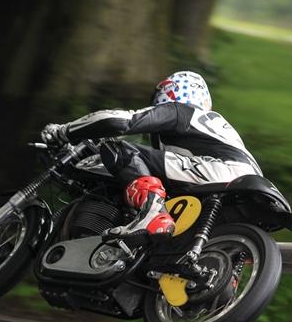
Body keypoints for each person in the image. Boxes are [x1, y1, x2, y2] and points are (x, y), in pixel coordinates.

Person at [40, 70, 263, 243]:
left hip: (221, 170)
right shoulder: (212, 126)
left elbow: (120, 121)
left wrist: (65, 130)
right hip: (250, 184)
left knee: (120, 149)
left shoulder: (181, 111)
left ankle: (152, 213)